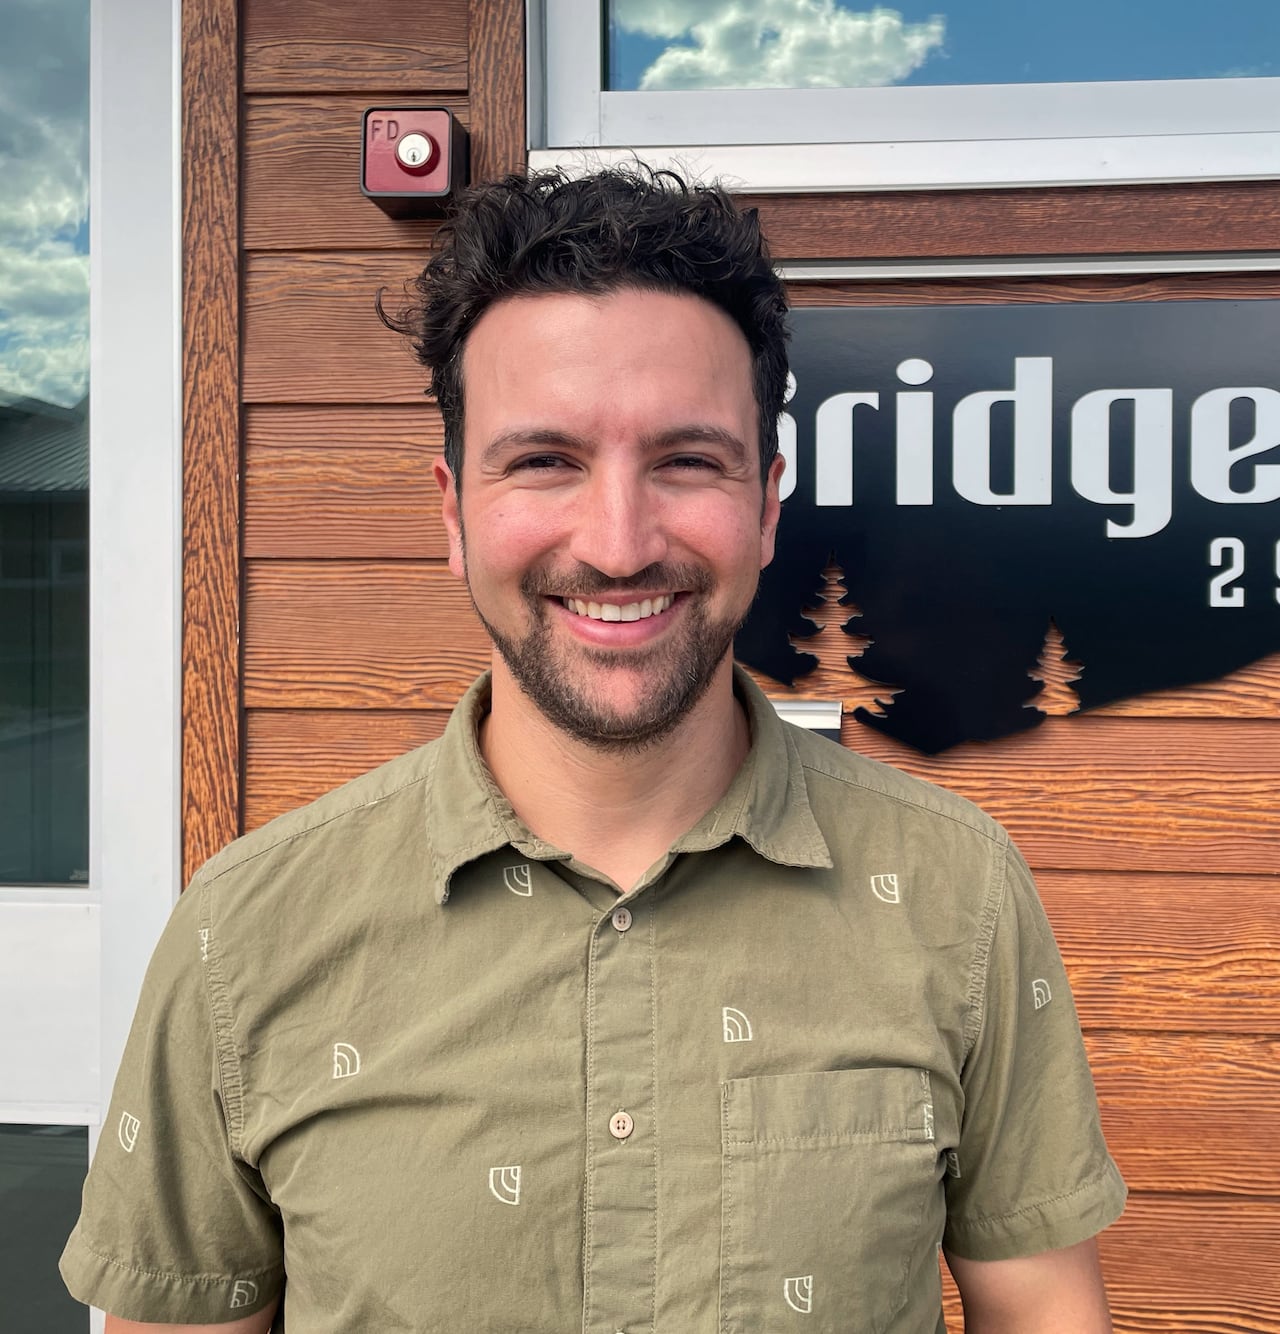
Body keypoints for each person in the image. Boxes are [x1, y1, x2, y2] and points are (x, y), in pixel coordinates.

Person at [62, 165, 1125, 1333]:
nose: (618, 543)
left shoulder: (952, 888)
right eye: (543, 460)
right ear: (451, 510)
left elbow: (1042, 1310)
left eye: (685, 460)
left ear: (767, 504)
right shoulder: (244, 933)